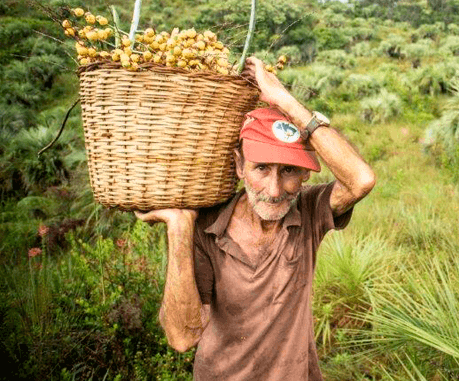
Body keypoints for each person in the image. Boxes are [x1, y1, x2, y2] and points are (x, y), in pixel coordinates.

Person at [135, 56, 376, 380]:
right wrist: (180, 227)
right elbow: (181, 338)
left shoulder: (307, 211)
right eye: (261, 168)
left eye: (289, 170)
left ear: (305, 174)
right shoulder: (207, 227)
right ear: (238, 166)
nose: (274, 190)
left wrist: (283, 99)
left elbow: (361, 180)